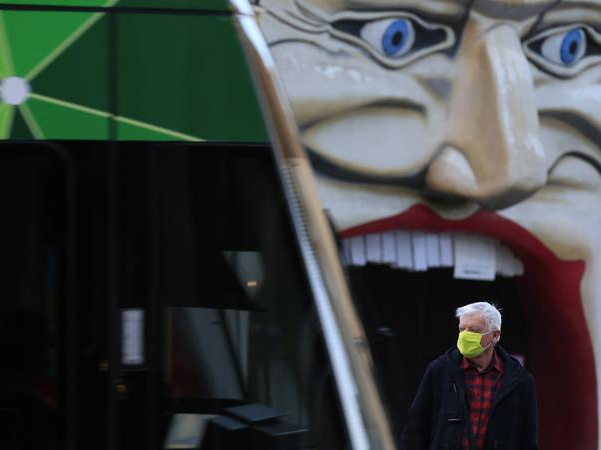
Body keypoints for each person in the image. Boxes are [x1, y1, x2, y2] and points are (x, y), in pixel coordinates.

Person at [255, 1, 600, 447]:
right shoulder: (439, 374)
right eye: (394, 35)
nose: (513, 171)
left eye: (568, 47)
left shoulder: (518, 381)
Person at [400, 302, 538, 450]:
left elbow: (527, 438)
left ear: (495, 335)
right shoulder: (440, 370)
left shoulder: (520, 381)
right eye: (462, 329)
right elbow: (416, 427)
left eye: (473, 330)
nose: (465, 335)